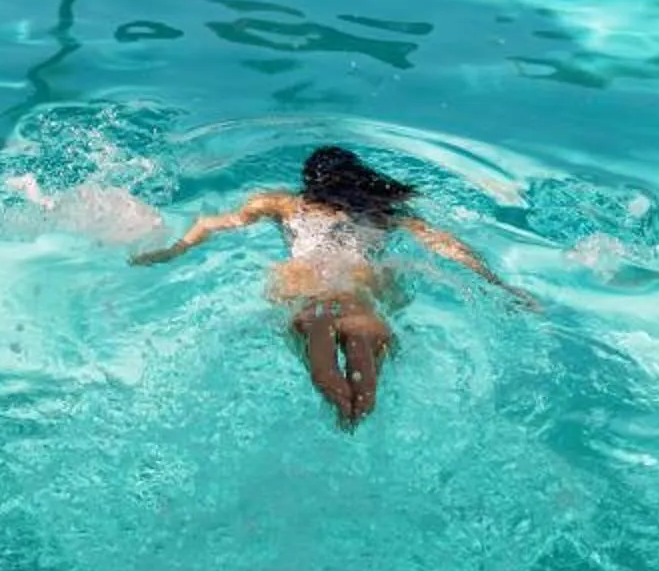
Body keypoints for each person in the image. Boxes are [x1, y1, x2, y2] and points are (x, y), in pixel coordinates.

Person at [132, 143, 534, 426]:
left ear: (310, 182)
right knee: (362, 345)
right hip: (361, 295)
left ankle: (337, 392)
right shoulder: (384, 214)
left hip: (304, 290)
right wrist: (497, 284)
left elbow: (210, 223)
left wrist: (172, 251)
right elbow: (449, 248)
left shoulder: (283, 202)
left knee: (319, 346)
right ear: (360, 179)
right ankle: (355, 406)